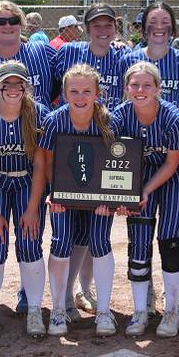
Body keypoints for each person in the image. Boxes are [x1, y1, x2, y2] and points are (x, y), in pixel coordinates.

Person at [53, 3, 130, 320]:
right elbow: (51, 91)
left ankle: (85, 291)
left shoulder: (125, 56)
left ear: (115, 27)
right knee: (68, 232)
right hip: (71, 144)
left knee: (95, 231)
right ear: (86, 27)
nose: (102, 29)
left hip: (106, 147)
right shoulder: (68, 53)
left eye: (108, 24)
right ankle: (65, 299)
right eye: (96, 24)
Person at [38, 63, 119, 337]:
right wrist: (54, 191)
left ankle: (105, 312)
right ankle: (58, 308)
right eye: (74, 90)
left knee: (99, 241)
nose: (80, 96)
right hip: (65, 194)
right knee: (61, 241)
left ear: (97, 92)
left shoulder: (108, 120)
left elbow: (118, 162)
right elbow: (47, 161)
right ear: (64, 93)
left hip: (98, 197)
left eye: (87, 90)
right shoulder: (55, 120)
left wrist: (111, 196)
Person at [0, 61, 50, 338]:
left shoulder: (38, 114)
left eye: (19, 84)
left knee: (30, 243)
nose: (13, 89)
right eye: (7, 83)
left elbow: (41, 166)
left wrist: (32, 209)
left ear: (26, 87)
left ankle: (34, 310)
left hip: (28, 182)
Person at [111, 62, 179, 337]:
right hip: (136, 175)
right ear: (126, 88)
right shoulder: (119, 116)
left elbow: (171, 163)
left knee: (169, 239)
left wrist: (145, 190)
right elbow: (115, 160)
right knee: (139, 242)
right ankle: (141, 310)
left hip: (172, 177)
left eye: (146, 85)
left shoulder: (172, 117)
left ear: (157, 88)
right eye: (134, 85)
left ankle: (171, 311)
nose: (140, 90)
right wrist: (122, 195)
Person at [0, 1, 57, 109]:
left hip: (37, 123)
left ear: (21, 24)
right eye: (0, 22)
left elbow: (63, 83)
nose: (8, 26)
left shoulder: (42, 52)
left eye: (14, 21)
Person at [119, 1, 179, 111]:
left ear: (172, 28)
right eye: (153, 22)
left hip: (172, 126)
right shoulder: (128, 60)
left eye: (165, 22)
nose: (159, 27)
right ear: (144, 27)